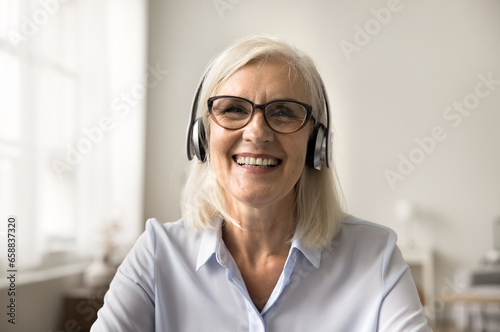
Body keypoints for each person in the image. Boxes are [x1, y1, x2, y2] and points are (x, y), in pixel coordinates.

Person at [91, 35, 431, 331]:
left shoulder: (375, 256)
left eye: (283, 111)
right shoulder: (157, 254)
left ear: (317, 144)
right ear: (202, 136)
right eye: (234, 109)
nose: (256, 132)